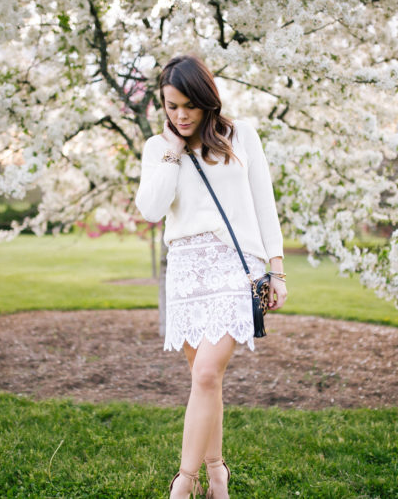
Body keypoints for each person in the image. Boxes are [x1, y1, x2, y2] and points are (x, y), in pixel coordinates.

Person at [135, 54, 287, 499]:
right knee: (207, 381)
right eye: (170, 106)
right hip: (186, 270)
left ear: (206, 101)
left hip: (234, 269)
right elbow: (151, 209)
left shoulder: (242, 137)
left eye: (188, 105)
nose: (179, 115)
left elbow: (264, 204)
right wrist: (172, 152)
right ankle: (217, 472)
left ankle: (184, 482)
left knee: (205, 375)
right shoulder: (157, 149)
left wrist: (276, 271)